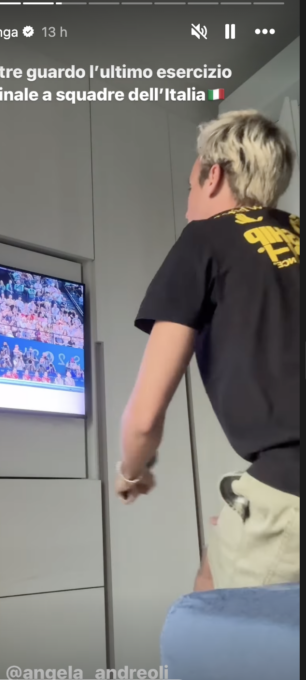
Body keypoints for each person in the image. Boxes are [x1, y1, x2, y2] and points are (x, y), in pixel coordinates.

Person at [115, 110, 299, 591]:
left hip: (290, 486)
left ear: (213, 176)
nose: (186, 208)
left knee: (214, 618)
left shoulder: (205, 237)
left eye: (189, 188)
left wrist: (132, 472)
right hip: (281, 486)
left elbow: (143, 420)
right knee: (212, 565)